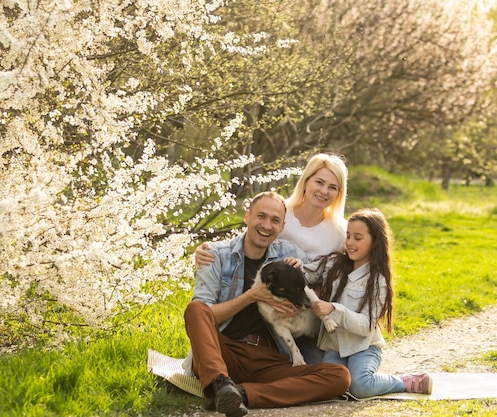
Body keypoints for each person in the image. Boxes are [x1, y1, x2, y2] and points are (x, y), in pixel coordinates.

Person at [183, 191, 351, 417]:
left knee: (339, 377)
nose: (266, 225)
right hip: (225, 352)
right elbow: (203, 317)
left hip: (270, 359)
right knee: (196, 309)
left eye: (274, 220)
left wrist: (301, 286)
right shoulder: (215, 255)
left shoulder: (289, 253)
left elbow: (320, 278)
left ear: (282, 227)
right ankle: (220, 383)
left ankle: (240, 394)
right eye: (261, 216)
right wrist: (253, 296)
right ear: (247, 217)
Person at [193, 153, 349, 363]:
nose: (323, 191)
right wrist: (205, 251)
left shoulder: (340, 232)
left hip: (307, 313)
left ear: (339, 192)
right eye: (319, 182)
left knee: (332, 375)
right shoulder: (280, 212)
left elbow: (350, 272)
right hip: (269, 313)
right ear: (306, 181)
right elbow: (249, 238)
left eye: (332, 187)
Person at [306, 208, 432, 398]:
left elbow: (366, 327)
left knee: (361, 386)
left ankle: (404, 381)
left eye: (358, 237)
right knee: (331, 385)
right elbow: (308, 273)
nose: (349, 242)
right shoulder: (333, 264)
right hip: (334, 347)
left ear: (374, 241)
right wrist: (293, 265)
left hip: (364, 346)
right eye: (348, 236)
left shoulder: (378, 280)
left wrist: (334, 309)